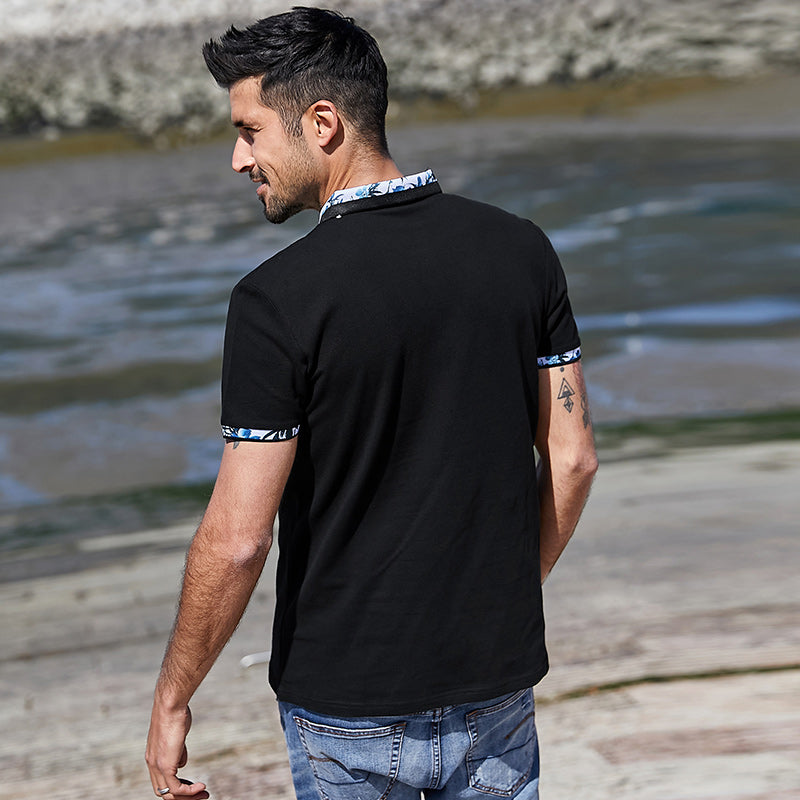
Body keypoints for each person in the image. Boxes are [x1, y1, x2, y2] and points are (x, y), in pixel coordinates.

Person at [145, 7, 598, 800]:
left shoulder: (276, 301)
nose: (238, 158)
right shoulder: (520, 249)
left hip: (347, 705)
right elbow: (572, 459)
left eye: (249, 131)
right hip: (495, 685)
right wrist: (501, 600)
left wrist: (173, 697)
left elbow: (239, 540)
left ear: (322, 123)